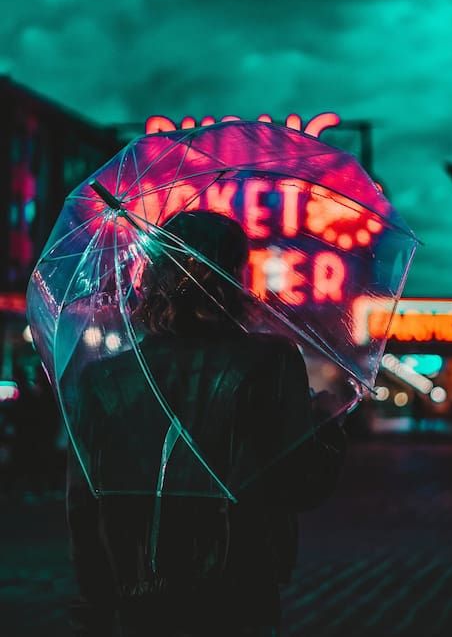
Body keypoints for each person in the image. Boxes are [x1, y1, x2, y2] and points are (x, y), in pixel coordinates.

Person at [66, 210, 347, 636]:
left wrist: (96, 599)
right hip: (238, 583)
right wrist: (325, 425)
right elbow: (300, 483)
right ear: (232, 274)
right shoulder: (270, 362)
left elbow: (82, 503)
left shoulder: (105, 378)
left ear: (155, 275)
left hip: (137, 578)